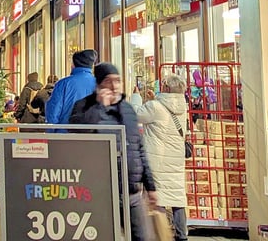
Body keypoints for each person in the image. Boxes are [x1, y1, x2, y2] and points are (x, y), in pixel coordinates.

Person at [70, 63, 157, 241]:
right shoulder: (85, 106)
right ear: (99, 84)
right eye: (108, 81)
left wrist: (151, 186)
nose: (114, 86)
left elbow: (138, 147)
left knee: (142, 237)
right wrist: (100, 107)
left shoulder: (127, 109)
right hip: (99, 193)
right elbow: (77, 131)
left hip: (131, 192)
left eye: (117, 81)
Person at [130, 75, 190, 241]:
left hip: (158, 159)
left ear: (166, 88)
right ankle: (182, 234)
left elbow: (135, 114)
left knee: (159, 196)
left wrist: (136, 97)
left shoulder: (155, 107)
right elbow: (165, 113)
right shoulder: (181, 106)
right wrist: (154, 99)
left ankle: (161, 234)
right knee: (177, 196)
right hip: (176, 158)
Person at [46, 49, 97, 125]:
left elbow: (53, 112)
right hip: (95, 134)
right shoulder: (99, 84)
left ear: (73, 64)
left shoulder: (63, 84)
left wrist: (52, 133)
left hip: (66, 133)